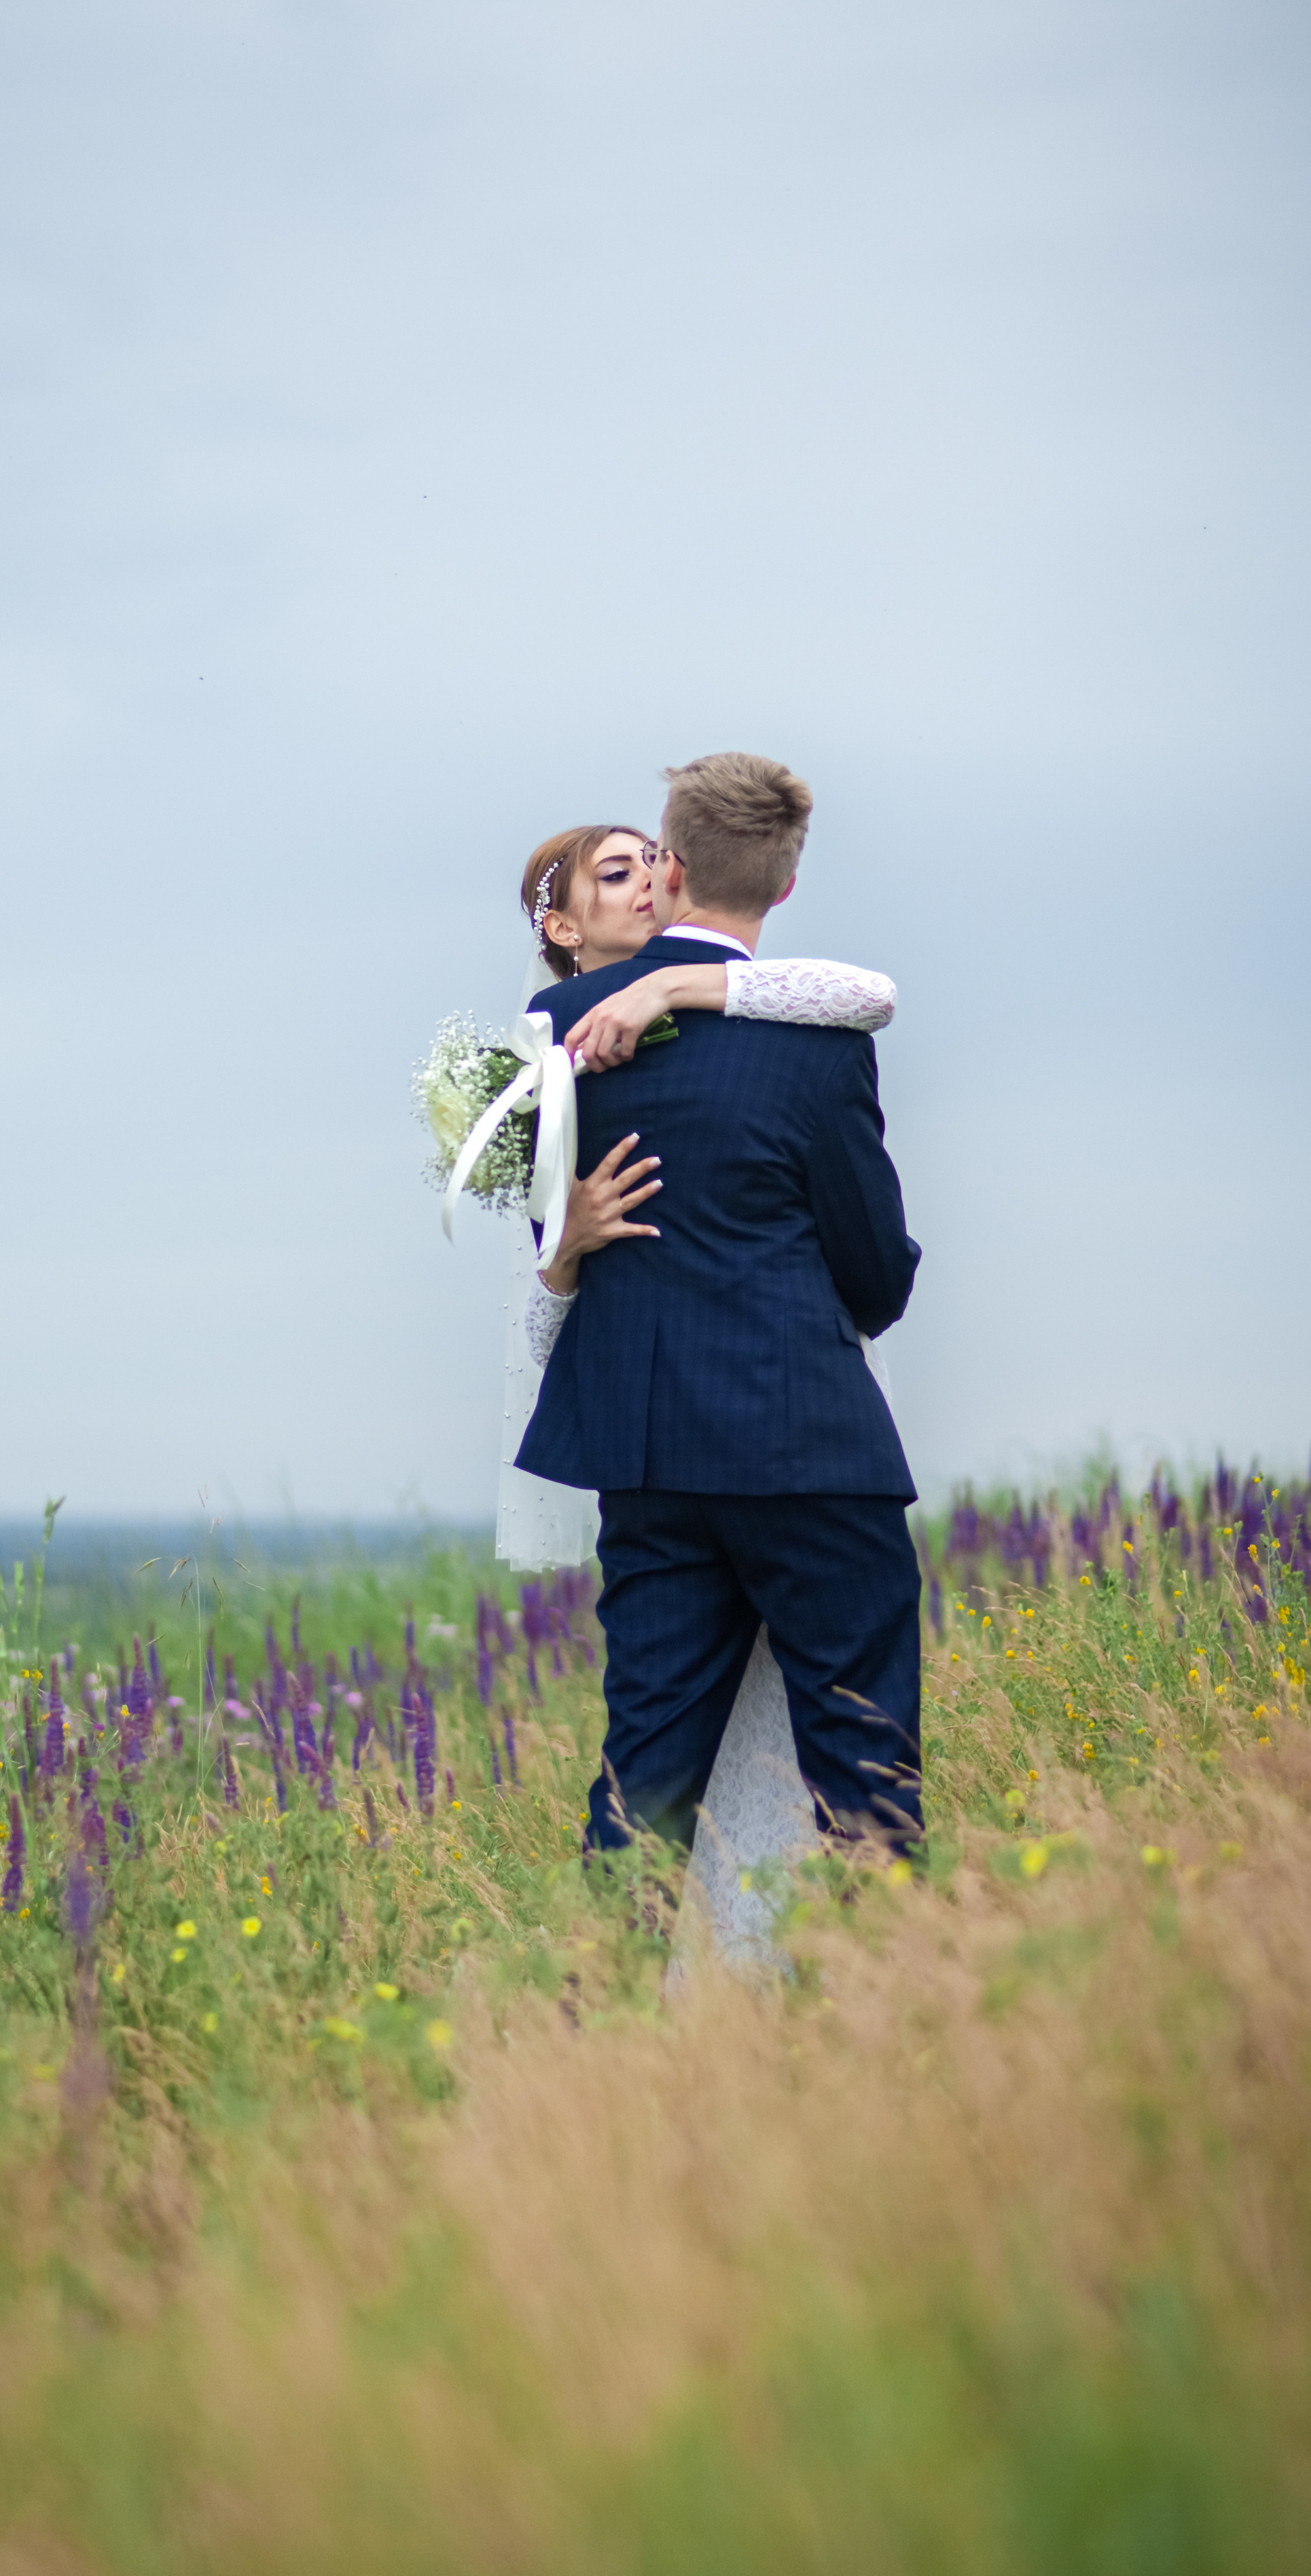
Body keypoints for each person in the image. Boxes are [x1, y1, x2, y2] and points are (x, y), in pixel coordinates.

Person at [514, 753, 924, 1892]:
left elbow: (548, 1228)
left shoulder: (559, 1026)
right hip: (808, 1445)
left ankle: (606, 1994)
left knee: (643, 1775)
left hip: (649, 1452)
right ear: (786, 885)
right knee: (865, 1764)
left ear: (672, 870)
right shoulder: (823, 1034)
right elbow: (875, 1275)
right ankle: (891, 1983)